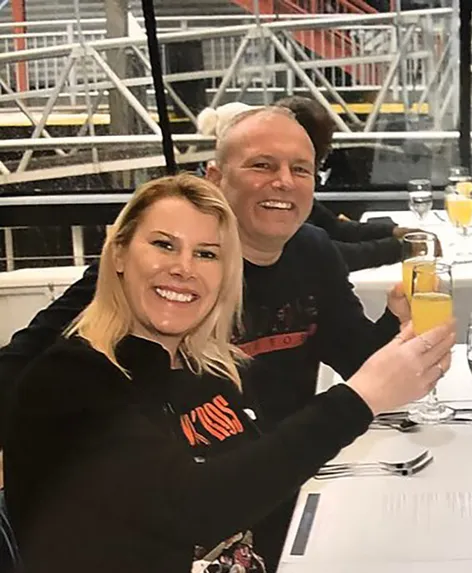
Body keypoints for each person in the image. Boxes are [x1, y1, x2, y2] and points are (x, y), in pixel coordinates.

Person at [0, 106, 410, 564]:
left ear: (227, 273)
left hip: (263, 508)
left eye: (208, 255)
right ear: (118, 254)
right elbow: (194, 504)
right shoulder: (74, 376)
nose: (183, 269)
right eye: (163, 245)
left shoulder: (205, 366)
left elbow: (240, 482)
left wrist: (397, 326)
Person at [198, 99, 418, 271]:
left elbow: (333, 229)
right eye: (263, 165)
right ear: (216, 177)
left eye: (299, 168)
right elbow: (335, 254)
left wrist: (394, 232)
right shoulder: (204, 250)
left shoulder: (310, 239)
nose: (284, 181)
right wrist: (403, 246)